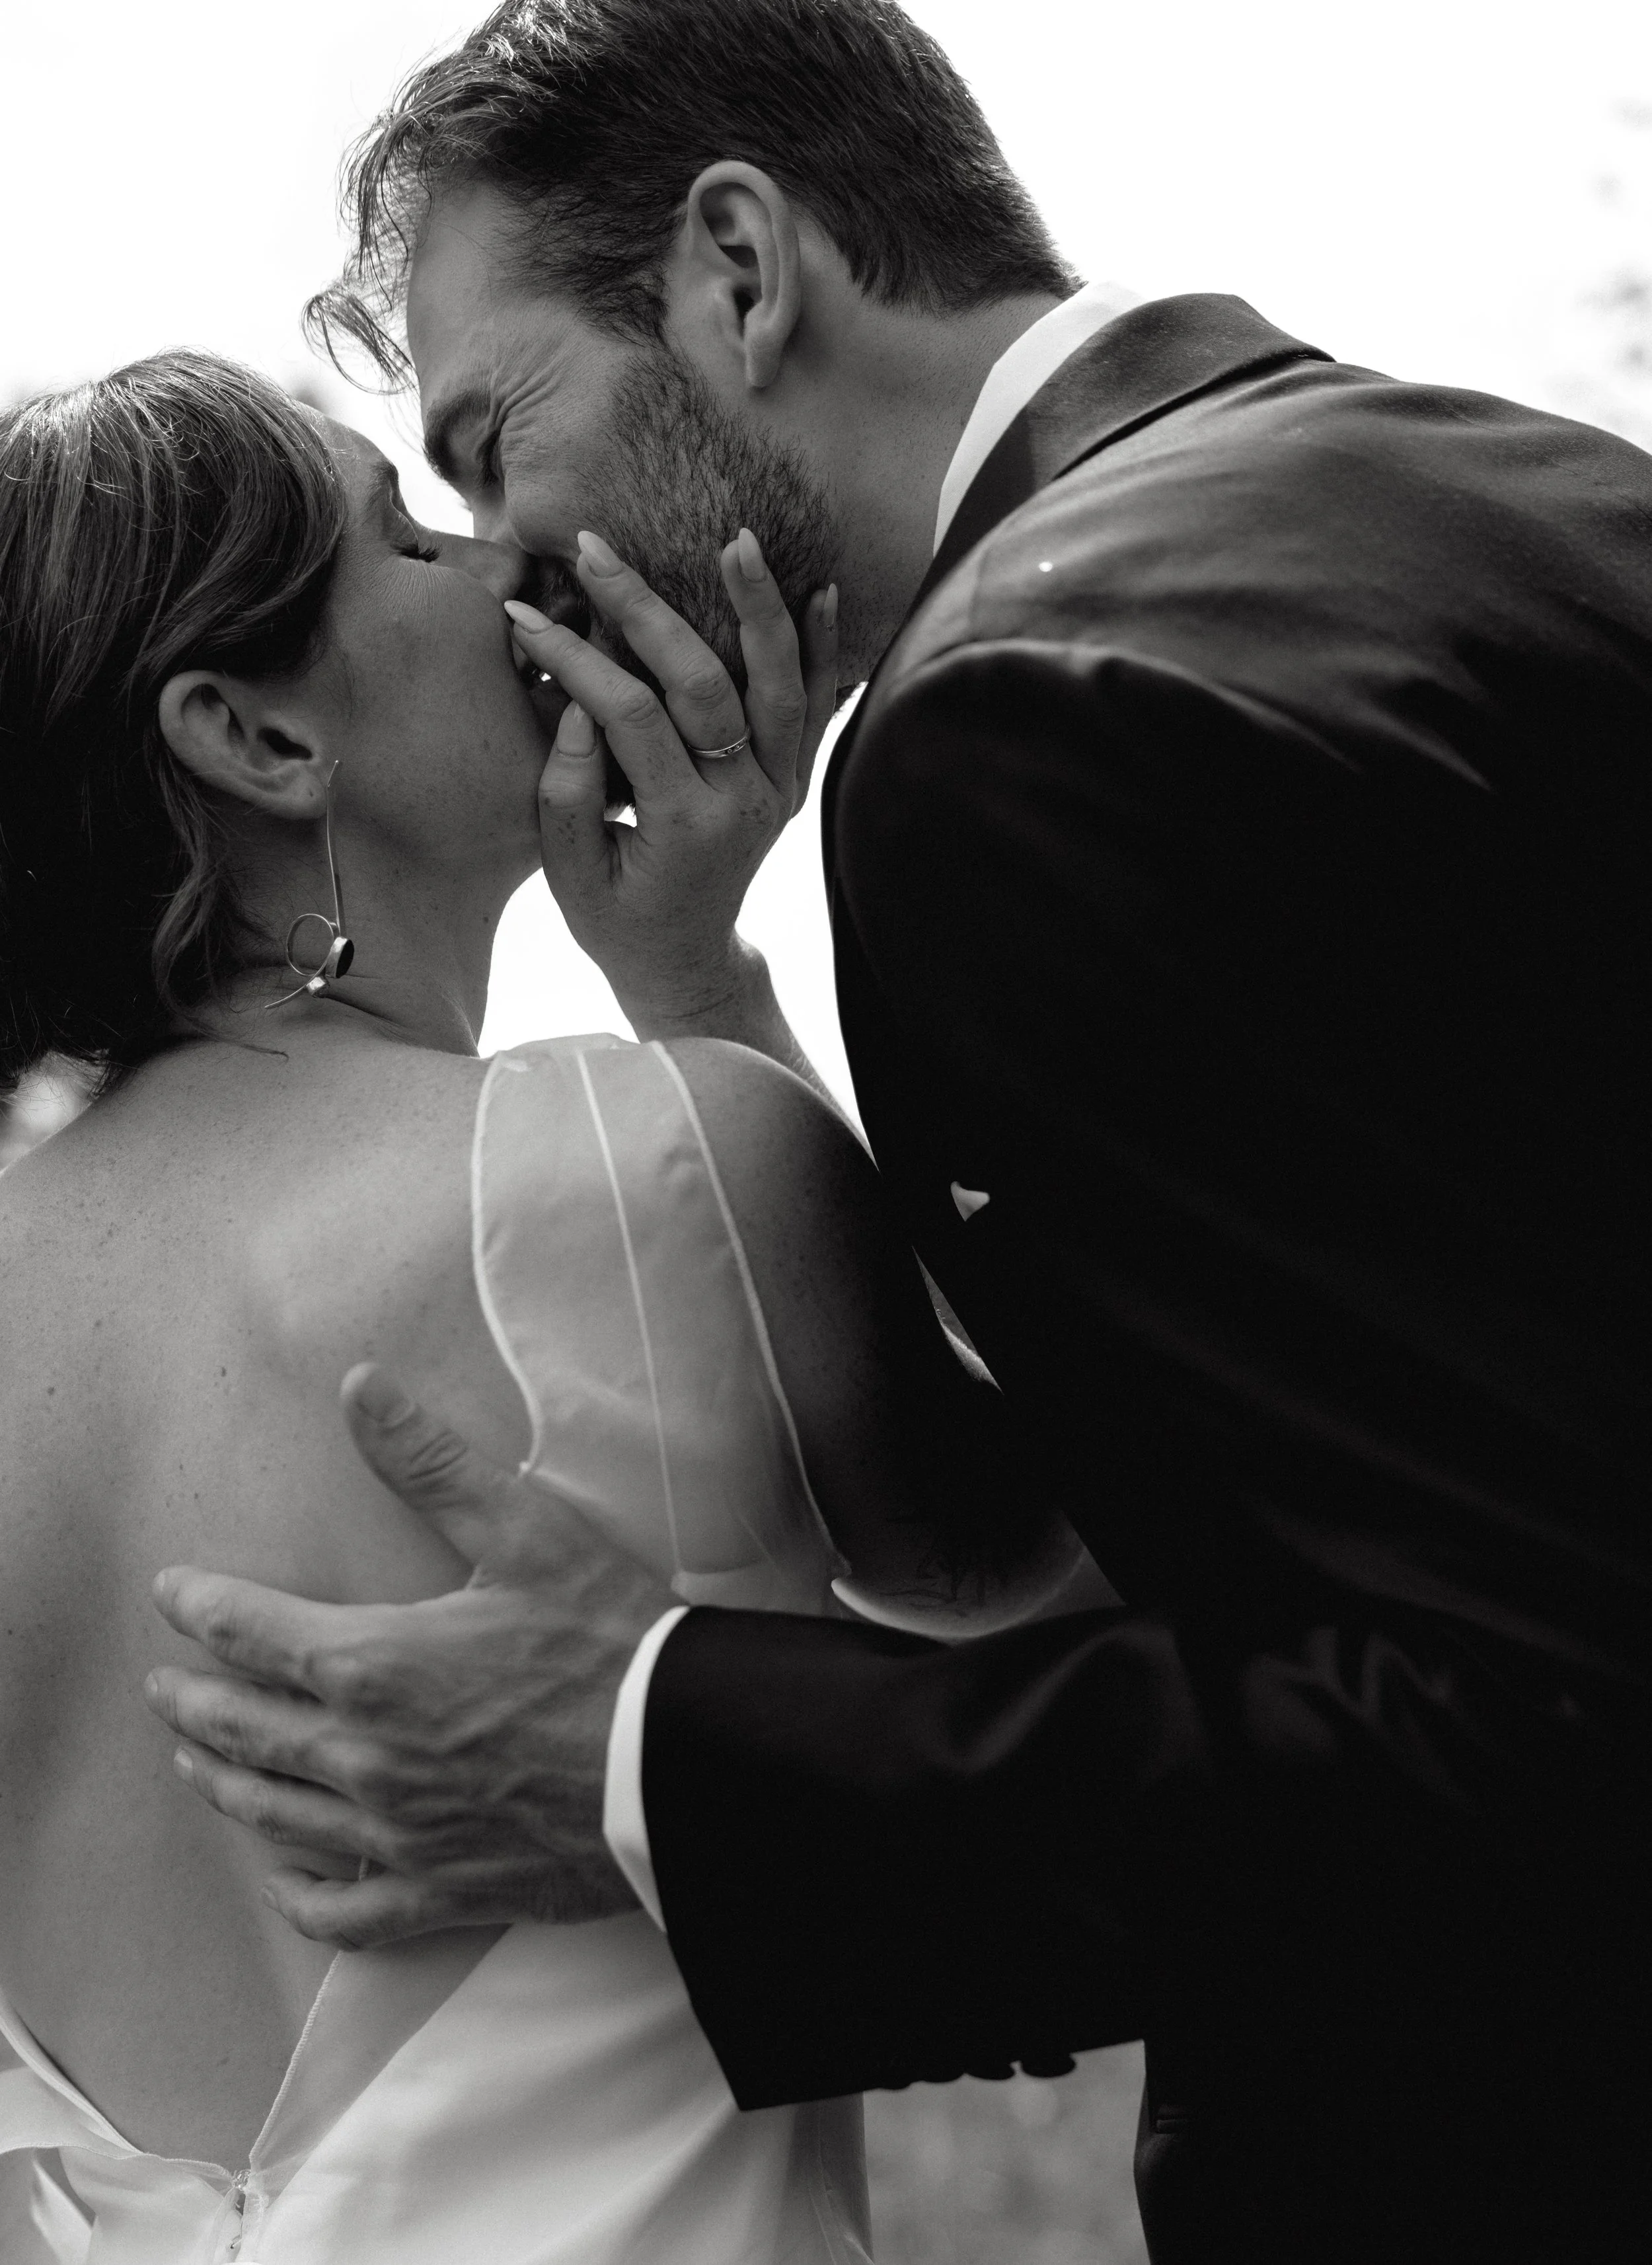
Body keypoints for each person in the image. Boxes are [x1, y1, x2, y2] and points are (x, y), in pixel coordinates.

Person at [141, 2, 1651, 2260]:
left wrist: (652, 1760)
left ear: (737, 271)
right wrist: (697, 980)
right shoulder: (1520, 495)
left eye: (489, 440)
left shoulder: (1025, 719)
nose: (514, 566)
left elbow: (1528, 1728)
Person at [0, 350, 1088, 2262]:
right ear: (256, 739)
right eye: (403, 536)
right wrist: (695, 985)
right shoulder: (657, 1171)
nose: (508, 555)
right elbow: (1068, 1589)